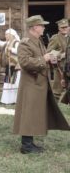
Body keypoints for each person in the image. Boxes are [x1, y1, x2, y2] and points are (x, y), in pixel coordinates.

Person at [13, 15, 70, 154]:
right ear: (35, 27)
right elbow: (25, 62)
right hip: (31, 84)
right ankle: (26, 146)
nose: (44, 28)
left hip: (39, 83)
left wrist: (51, 60)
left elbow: (42, 59)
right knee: (28, 114)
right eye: (42, 25)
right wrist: (43, 59)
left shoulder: (38, 41)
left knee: (33, 114)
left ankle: (30, 143)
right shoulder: (25, 43)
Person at [0, 28, 21, 104]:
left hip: (15, 66)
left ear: (11, 35)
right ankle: (6, 100)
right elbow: (0, 43)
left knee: (13, 83)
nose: (5, 36)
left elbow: (20, 51)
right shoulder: (8, 42)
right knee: (8, 82)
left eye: (7, 34)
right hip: (9, 66)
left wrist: (11, 49)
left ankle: (13, 100)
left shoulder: (16, 42)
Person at [47, 18, 69, 101]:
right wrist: (61, 55)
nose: (64, 29)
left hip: (68, 68)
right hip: (60, 68)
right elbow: (49, 53)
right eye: (62, 27)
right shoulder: (55, 38)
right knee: (57, 91)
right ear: (59, 28)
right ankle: (54, 108)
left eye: (66, 27)